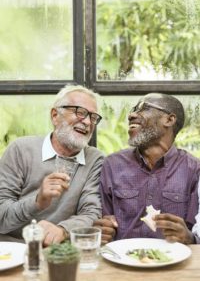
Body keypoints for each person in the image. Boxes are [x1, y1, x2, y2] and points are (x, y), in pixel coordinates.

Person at [0, 85, 104, 246]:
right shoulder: (20, 150)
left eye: (93, 117)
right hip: (13, 249)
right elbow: (1, 218)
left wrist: (63, 230)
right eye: (80, 112)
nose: (88, 122)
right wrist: (37, 202)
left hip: (62, 253)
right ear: (55, 115)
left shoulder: (95, 159)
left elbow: (91, 213)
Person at [94, 93, 200, 245]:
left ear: (169, 120)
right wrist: (102, 231)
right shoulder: (112, 165)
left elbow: (194, 235)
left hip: (174, 263)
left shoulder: (194, 170)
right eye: (133, 109)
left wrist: (189, 238)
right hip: (122, 262)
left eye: (144, 108)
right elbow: (103, 223)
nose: (131, 115)